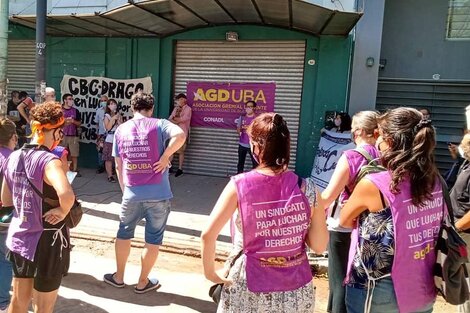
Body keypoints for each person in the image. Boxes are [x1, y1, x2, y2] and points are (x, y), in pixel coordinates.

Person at [201, 113, 328, 312]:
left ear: (255, 147)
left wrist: (211, 274)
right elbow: (319, 246)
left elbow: (208, 235)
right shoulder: (309, 189)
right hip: (295, 290)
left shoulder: (239, 185)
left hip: (248, 284)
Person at [340, 107, 442, 313]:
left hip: (379, 290)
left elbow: (344, 219)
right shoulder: (436, 181)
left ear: (391, 141)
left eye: (378, 134)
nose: (376, 140)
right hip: (423, 287)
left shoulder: (374, 184)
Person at [103, 92, 185, 293]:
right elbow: (181, 135)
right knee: (153, 239)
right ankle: (142, 282)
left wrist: (125, 191)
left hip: (131, 193)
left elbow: (118, 165)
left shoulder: (121, 129)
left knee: (124, 233)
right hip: (159, 194)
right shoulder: (159, 124)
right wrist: (166, 156)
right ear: (152, 108)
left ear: (132, 108)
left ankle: (119, 277)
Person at [1, 101, 76, 313]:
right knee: (43, 306)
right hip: (48, 240)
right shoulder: (50, 161)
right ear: (56, 131)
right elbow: (67, 195)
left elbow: (6, 200)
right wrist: (61, 211)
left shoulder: (13, 157)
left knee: (18, 300)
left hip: (21, 236)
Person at [321, 111, 379, 313]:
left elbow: (329, 196)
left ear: (360, 132)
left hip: (343, 225)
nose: (352, 134)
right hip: (370, 224)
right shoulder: (384, 156)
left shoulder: (351, 157)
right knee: (355, 277)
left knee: (338, 281)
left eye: (354, 130)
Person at [449, 134, 470, 313]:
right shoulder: (466, 165)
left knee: (467, 278)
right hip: (460, 230)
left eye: (464, 145)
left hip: (465, 233)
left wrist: (457, 227)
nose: (460, 147)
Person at [0, 118, 17, 313]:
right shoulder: (12, 159)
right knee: (4, 260)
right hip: (5, 217)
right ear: (13, 137)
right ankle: (3, 303)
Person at [169, 93, 192, 177]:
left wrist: (175, 120)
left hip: (182, 133)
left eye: (179, 100)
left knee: (180, 152)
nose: (177, 102)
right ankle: (168, 167)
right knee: (171, 150)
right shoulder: (176, 108)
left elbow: (183, 119)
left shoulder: (188, 109)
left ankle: (180, 169)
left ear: (183, 99)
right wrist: (176, 120)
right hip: (174, 133)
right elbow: (170, 118)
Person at [60, 93, 81, 175]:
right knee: (62, 153)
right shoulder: (59, 110)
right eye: (69, 99)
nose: (71, 100)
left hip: (73, 135)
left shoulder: (76, 111)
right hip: (62, 135)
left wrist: (73, 121)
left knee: (74, 154)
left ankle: (75, 170)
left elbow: (79, 123)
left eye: (72, 99)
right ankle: (62, 169)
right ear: (65, 100)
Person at [103, 99, 123, 183]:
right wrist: (112, 119)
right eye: (111, 104)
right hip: (110, 138)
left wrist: (118, 120)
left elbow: (121, 126)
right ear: (108, 106)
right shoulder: (106, 116)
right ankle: (110, 175)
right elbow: (107, 128)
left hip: (118, 137)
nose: (113, 105)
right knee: (109, 158)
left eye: (114, 103)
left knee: (119, 157)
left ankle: (120, 175)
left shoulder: (119, 115)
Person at [236, 100, 258, 174]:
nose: (248, 108)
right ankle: (239, 178)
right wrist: (240, 132)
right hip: (242, 144)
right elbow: (238, 128)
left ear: (254, 108)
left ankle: (254, 179)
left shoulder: (257, 119)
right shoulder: (242, 117)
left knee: (255, 164)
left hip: (253, 146)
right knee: (240, 163)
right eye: (247, 107)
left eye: (250, 107)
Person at [94, 95, 108, 174]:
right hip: (101, 134)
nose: (103, 102)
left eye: (105, 100)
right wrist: (97, 133)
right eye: (102, 101)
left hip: (110, 134)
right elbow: (97, 123)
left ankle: (111, 168)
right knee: (100, 151)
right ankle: (101, 166)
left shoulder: (112, 111)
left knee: (110, 151)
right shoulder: (98, 111)